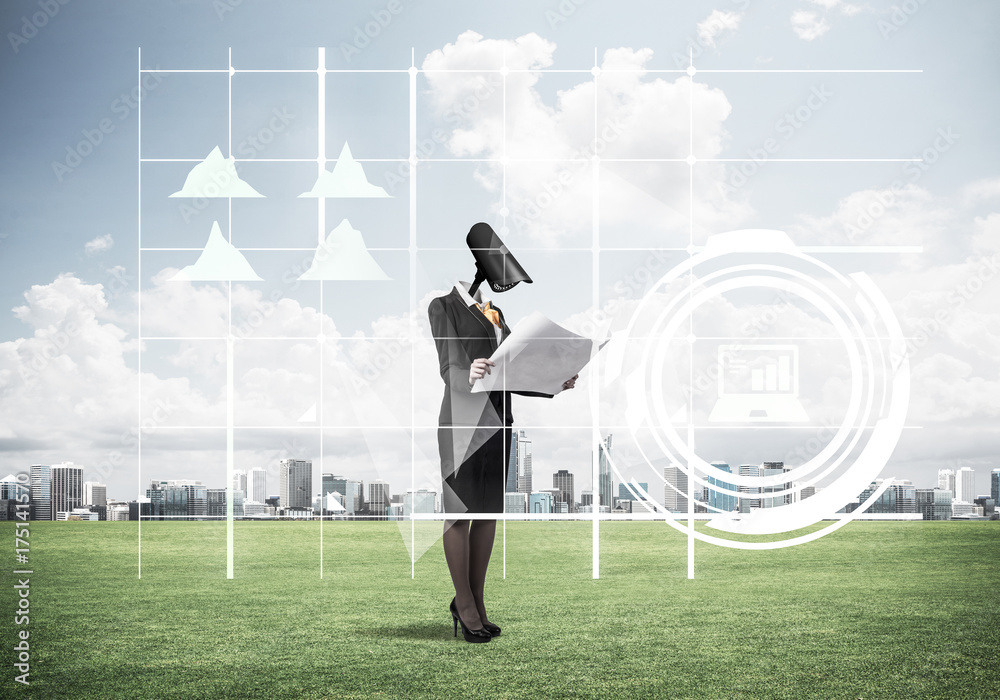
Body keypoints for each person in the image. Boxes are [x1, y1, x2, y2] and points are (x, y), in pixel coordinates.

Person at [428, 222, 577, 643]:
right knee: (459, 513)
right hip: (461, 422)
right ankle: (465, 604)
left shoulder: (497, 315)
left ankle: (476, 601)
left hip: (499, 423)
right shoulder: (442, 306)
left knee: (488, 513)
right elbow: (447, 365)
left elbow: (515, 370)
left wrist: (554, 382)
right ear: (482, 265)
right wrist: (466, 371)